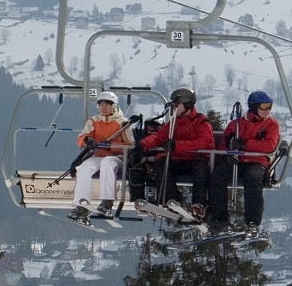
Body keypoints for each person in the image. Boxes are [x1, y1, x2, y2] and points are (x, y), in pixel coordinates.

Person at [132, 87, 213, 221]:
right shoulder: (174, 123)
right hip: (179, 160)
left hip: (196, 160)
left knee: (200, 169)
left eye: (176, 105)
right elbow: (158, 137)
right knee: (160, 164)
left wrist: (177, 145)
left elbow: (204, 141)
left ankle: (199, 205)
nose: (174, 108)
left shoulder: (201, 121)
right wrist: (142, 145)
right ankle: (172, 199)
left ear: (186, 104)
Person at [208, 90, 280, 231]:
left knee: (253, 179)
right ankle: (220, 218)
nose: (267, 111)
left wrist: (245, 144)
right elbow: (224, 143)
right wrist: (227, 155)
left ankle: (253, 222)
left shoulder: (271, 125)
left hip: (257, 161)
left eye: (269, 107)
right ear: (254, 107)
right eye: (264, 107)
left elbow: (269, 146)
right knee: (217, 177)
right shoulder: (237, 125)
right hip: (237, 160)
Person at [69, 92, 134, 221]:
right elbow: (81, 137)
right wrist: (87, 140)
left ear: (113, 106)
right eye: (101, 104)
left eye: (107, 105)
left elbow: (130, 145)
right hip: (98, 155)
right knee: (83, 168)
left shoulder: (122, 123)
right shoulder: (94, 121)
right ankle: (81, 205)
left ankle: (107, 202)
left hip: (117, 157)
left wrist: (111, 146)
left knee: (107, 163)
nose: (103, 108)